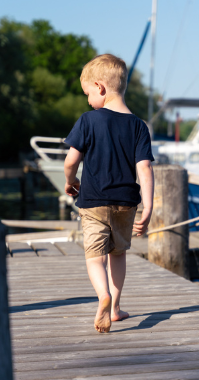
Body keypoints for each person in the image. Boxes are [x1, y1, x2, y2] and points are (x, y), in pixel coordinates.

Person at [63, 54, 154, 333]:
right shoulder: (139, 126)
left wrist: (71, 180)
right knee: (118, 254)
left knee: (94, 255)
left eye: (88, 93)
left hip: (93, 201)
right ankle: (114, 307)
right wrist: (148, 208)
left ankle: (102, 294)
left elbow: (70, 160)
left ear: (100, 87)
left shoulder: (88, 120)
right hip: (127, 203)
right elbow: (145, 169)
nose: (88, 100)